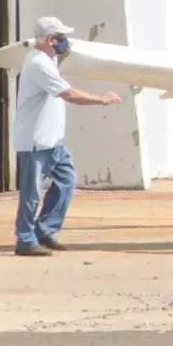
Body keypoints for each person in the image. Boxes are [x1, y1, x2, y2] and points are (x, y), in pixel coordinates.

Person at [12, 16, 122, 257]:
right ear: (51, 40)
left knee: (66, 182)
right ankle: (25, 239)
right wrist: (102, 99)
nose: (65, 42)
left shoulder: (48, 61)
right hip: (35, 141)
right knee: (32, 193)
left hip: (53, 141)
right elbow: (69, 94)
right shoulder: (38, 64)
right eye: (61, 38)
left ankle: (45, 230)